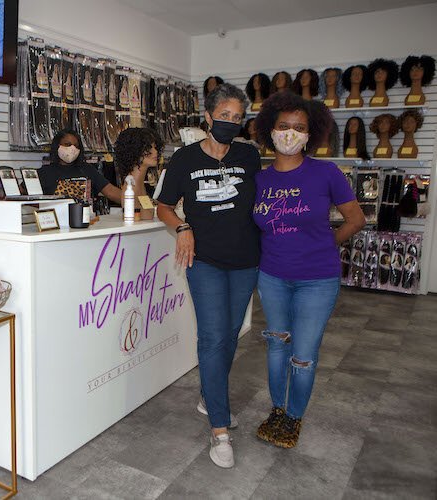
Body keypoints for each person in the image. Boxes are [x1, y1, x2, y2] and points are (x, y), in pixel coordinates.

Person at [252, 92, 365, 449]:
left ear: (310, 133)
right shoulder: (259, 180)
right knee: (275, 346)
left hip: (317, 279)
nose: (290, 133)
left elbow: (356, 219)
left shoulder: (326, 173)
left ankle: (295, 417)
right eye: (283, 126)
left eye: (298, 128)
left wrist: (325, 245)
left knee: (303, 355)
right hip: (272, 276)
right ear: (270, 129)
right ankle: (277, 410)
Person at [156, 83, 260, 469]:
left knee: (230, 335)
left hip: (246, 259)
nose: (231, 122)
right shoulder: (184, 159)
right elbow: (163, 207)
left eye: (238, 117)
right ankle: (219, 427)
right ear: (208, 116)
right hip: (205, 261)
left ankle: (208, 394)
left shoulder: (249, 156)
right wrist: (183, 228)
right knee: (214, 336)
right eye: (225, 116)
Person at [39, 129, 122, 204]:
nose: (72, 149)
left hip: (83, 217)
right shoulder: (45, 172)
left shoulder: (87, 169)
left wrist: (132, 200)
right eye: (67, 144)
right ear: (57, 146)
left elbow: (110, 191)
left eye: (76, 146)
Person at [114, 128, 163, 220]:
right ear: (134, 151)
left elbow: (148, 215)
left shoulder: (140, 186)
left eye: (155, 147)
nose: (155, 152)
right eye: (149, 148)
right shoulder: (130, 189)